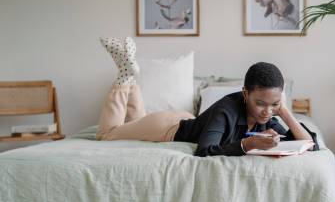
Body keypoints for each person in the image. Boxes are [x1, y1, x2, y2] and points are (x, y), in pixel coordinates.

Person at [96, 37, 318, 157]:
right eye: (260, 103)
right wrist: (248, 144)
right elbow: (204, 150)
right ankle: (124, 77)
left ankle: (130, 79)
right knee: (108, 134)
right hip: (166, 128)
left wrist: (285, 112)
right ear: (245, 93)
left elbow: (310, 145)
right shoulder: (227, 108)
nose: (267, 111)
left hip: (185, 117)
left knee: (134, 123)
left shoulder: (268, 116)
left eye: (274, 105)